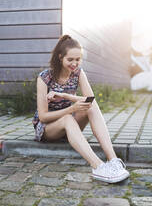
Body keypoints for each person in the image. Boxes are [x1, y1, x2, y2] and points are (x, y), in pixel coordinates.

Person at [32, 34, 129, 183]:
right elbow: (43, 117)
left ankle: (113, 159)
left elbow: (90, 100)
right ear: (60, 57)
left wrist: (66, 96)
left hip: (69, 124)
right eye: (70, 59)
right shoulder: (45, 77)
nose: (74, 64)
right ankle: (98, 167)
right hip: (47, 129)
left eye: (78, 59)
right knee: (67, 119)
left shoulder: (78, 73)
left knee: (91, 107)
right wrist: (71, 110)